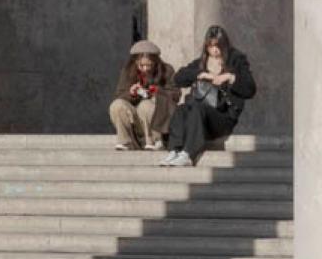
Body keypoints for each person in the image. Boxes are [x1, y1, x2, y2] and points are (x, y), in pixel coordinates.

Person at [162, 25, 256, 165]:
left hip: (223, 117)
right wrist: (200, 74)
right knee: (182, 109)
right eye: (211, 46)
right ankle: (174, 150)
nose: (215, 50)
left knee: (198, 108)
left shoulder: (236, 61)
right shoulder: (201, 63)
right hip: (200, 116)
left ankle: (188, 154)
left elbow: (250, 89)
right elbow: (178, 78)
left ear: (224, 45)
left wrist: (230, 77)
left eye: (218, 46)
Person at [108, 38, 177, 150]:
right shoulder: (127, 71)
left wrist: (156, 92)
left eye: (149, 65)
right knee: (117, 105)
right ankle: (126, 141)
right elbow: (119, 95)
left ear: (156, 62)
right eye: (141, 65)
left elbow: (175, 93)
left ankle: (153, 140)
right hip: (136, 119)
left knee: (146, 105)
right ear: (135, 62)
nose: (145, 69)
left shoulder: (166, 70)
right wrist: (131, 93)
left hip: (157, 118)